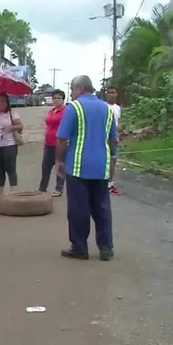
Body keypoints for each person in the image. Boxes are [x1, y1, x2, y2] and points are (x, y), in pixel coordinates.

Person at [55, 75, 117, 261]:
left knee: (78, 209)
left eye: (72, 89)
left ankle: (80, 248)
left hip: (78, 166)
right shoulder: (107, 108)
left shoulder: (74, 107)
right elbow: (113, 139)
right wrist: (111, 159)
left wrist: (59, 160)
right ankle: (106, 248)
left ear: (80, 88)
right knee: (102, 208)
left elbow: (62, 138)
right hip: (101, 166)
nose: (71, 94)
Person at [0, 93, 24, 204]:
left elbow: (20, 126)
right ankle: (0, 196)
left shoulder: (12, 114)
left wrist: (11, 127)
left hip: (9, 145)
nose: (1, 103)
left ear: (7, 102)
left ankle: (14, 194)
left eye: (3, 100)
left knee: (10, 169)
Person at [39, 88, 66, 196]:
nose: (56, 100)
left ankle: (59, 188)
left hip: (60, 143)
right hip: (49, 142)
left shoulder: (66, 111)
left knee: (60, 165)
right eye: (54, 98)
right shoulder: (51, 111)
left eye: (58, 98)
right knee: (45, 166)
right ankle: (42, 188)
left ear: (63, 100)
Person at [105, 86, 123, 196]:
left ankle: (110, 184)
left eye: (113, 92)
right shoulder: (103, 107)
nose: (111, 94)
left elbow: (117, 123)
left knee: (113, 159)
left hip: (114, 136)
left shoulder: (117, 108)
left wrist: (118, 135)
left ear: (116, 94)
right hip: (105, 136)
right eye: (109, 92)